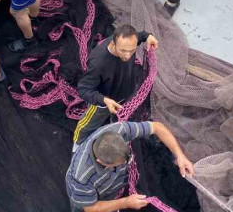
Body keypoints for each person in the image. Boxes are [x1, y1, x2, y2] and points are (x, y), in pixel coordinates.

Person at [66, 121, 194, 212]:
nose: (127, 164)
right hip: (90, 201)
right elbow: (90, 208)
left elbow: (157, 127)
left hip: (112, 188)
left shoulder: (120, 130)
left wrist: (179, 155)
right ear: (100, 161)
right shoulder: (81, 177)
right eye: (119, 164)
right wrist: (125, 203)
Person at [73, 24, 159, 148]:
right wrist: (104, 100)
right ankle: (77, 145)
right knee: (88, 125)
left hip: (123, 94)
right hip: (103, 103)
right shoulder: (98, 63)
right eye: (123, 50)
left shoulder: (129, 43)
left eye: (132, 50)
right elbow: (83, 89)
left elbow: (139, 36)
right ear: (113, 44)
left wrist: (147, 36)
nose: (128, 55)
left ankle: (114, 117)